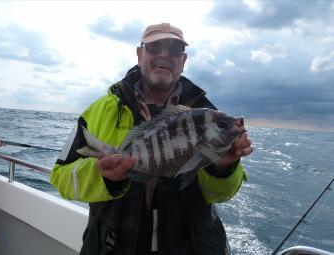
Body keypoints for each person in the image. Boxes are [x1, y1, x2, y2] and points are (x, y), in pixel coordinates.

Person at [50, 23, 253, 255]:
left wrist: (223, 167)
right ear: (140, 54)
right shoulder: (98, 111)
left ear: (183, 60)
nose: (164, 54)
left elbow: (221, 194)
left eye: (175, 49)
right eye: (155, 47)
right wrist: (102, 176)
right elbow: (60, 178)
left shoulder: (207, 114)